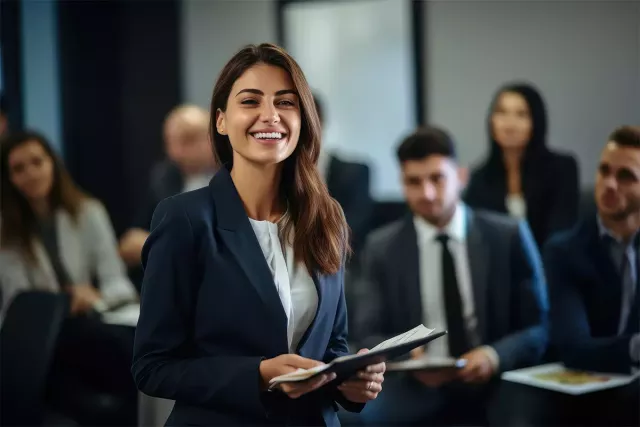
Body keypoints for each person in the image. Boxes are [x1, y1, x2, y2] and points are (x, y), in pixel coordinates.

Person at [132, 43, 384, 426]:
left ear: (303, 118)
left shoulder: (326, 215)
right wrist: (260, 374)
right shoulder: (183, 218)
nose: (270, 116)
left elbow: (332, 346)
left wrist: (350, 382)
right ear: (220, 121)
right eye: (250, 101)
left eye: (286, 103)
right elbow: (153, 367)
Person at [351, 127, 548, 425]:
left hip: (496, 378)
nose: (427, 193)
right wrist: (409, 360)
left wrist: (494, 356)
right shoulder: (382, 247)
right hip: (417, 383)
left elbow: (539, 325)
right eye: (413, 182)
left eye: (437, 179)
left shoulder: (508, 235)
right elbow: (367, 331)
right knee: (357, 419)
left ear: (461, 177)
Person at [0, 131, 139, 424]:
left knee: (131, 340)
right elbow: (21, 297)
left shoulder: (88, 211)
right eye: (18, 169)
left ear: (53, 163)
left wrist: (94, 296)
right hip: (39, 331)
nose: (31, 174)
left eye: (37, 162)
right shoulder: (5, 230)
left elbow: (116, 280)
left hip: (91, 314)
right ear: (9, 178)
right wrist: (63, 302)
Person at [543, 125, 639, 427]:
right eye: (604, 171)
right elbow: (574, 347)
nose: (609, 184)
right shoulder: (564, 250)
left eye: (626, 176)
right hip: (588, 395)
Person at [464, 82, 579, 248]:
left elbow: (560, 235)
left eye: (521, 114)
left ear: (536, 121)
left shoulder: (562, 168)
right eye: (501, 113)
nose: (509, 124)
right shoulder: (480, 178)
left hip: (550, 267)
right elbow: (478, 239)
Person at [118, 105, 216, 269]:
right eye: (171, 142)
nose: (177, 152)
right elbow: (131, 242)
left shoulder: (236, 176)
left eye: (187, 140)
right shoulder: (164, 178)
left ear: (211, 138)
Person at [313, 94, 373, 255]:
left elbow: (354, 230)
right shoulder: (275, 175)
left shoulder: (355, 173)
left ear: (321, 122)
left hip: (343, 263)